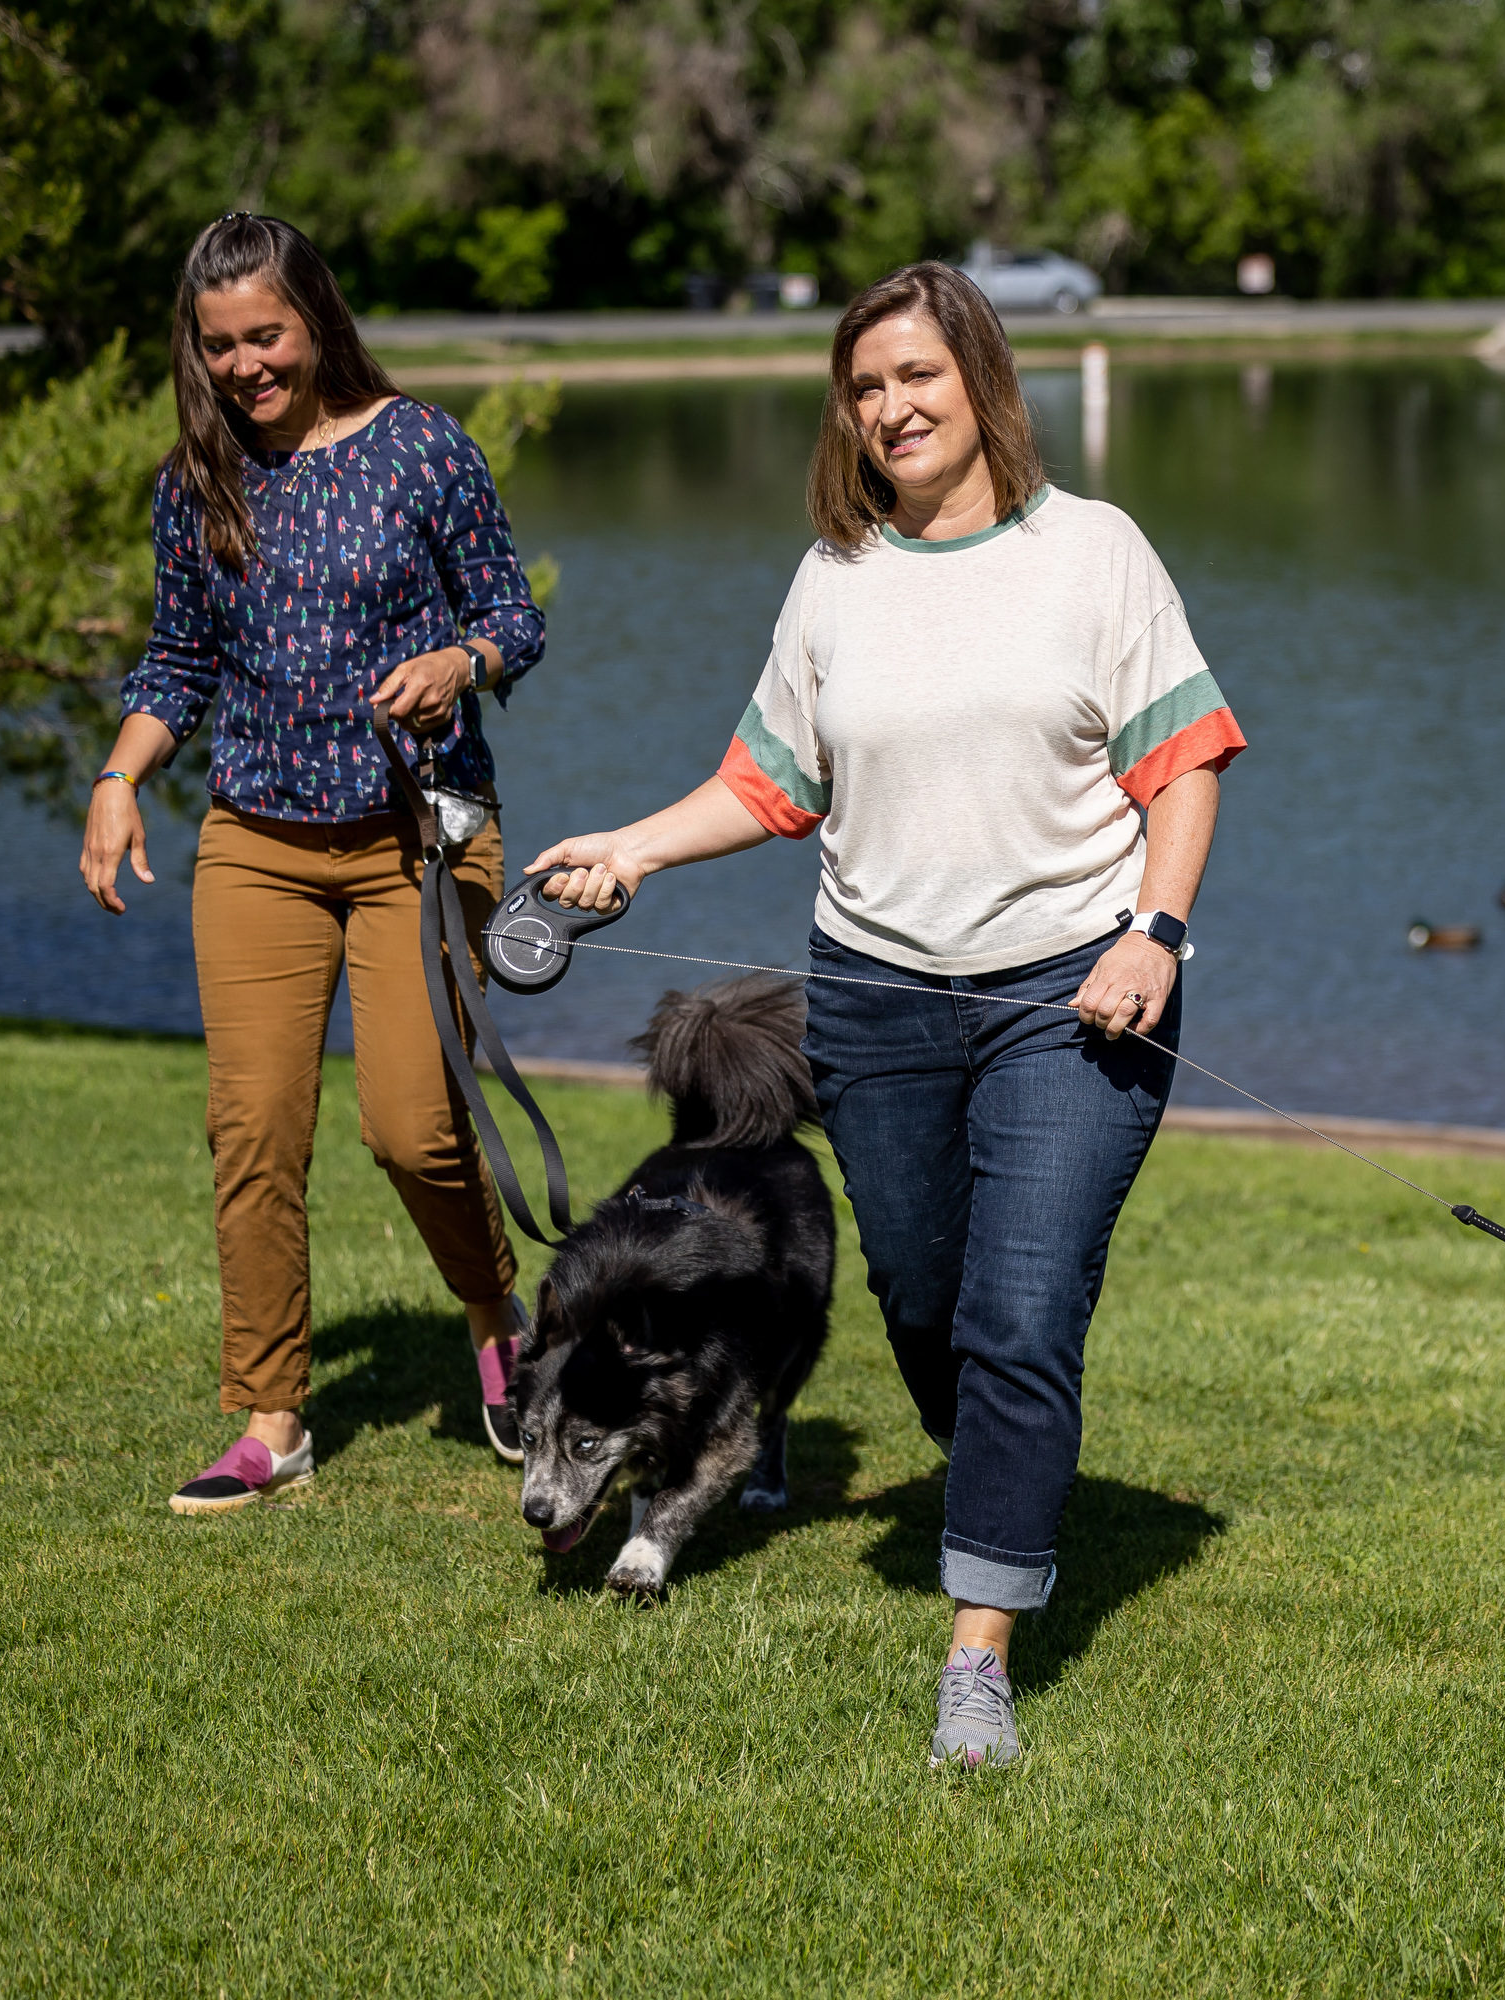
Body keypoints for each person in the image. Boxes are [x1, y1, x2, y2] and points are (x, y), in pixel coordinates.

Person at [528, 262, 1244, 1769]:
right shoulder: (833, 577)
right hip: (874, 999)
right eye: (865, 388)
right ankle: (1005, 1456)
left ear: (980, 380)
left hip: (1075, 992)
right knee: (927, 1310)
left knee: (1022, 1314)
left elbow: (1187, 760)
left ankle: (977, 1656)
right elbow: (769, 781)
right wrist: (632, 849)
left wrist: (1155, 933)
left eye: (917, 376)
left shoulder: (1094, 552)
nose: (892, 408)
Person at [79, 213, 546, 1515]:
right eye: (219, 343)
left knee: (409, 1126)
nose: (244, 364)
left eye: (266, 335)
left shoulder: (421, 450)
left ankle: (494, 1311)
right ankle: (271, 1415)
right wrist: (120, 781)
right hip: (257, 844)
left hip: (418, 837)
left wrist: (465, 663)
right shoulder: (198, 482)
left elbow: (514, 616)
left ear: (316, 320)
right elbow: (178, 663)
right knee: (253, 1127)